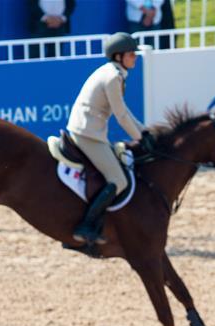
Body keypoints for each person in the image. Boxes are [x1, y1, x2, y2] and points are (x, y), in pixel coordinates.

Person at [66, 32, 156, 245]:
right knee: (119, 180)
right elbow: (121, 116)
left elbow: (123, 110)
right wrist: (140, 138)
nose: (135, 57)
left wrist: (143, 132)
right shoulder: (113, 77)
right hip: (87, 133)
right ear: (119, 56)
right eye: (131, 54)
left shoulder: (115, 72)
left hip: (91, 130)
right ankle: (86, 226)